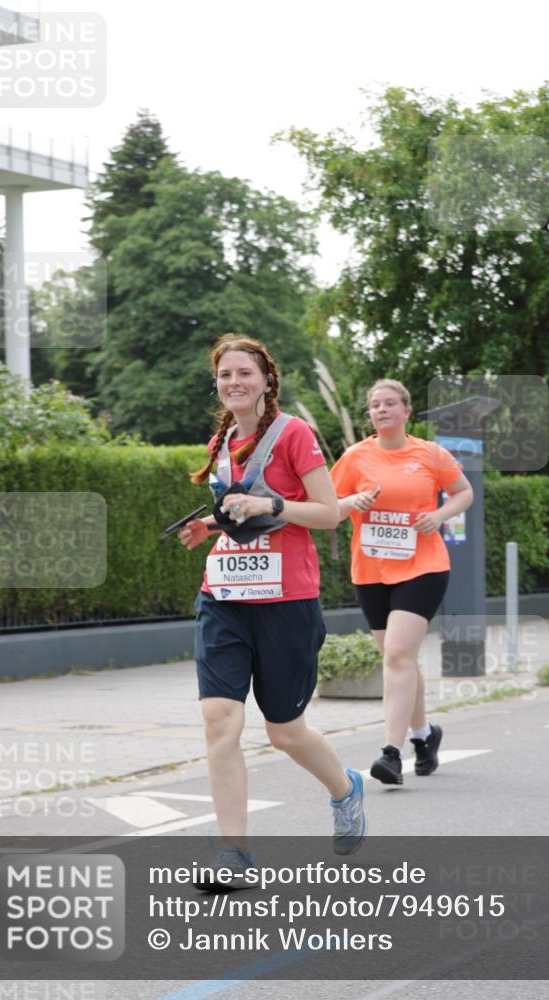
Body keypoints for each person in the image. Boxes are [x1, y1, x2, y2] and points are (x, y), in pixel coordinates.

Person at [179, 334, 366, 879]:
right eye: (225, 375)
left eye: (244, 373)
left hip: (286, 597)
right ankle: (233, 854)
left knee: (284, 730)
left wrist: (270, 501)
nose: (233, 382)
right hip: (225, 594)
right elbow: (244, 516)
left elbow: (329, 513)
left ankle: (345, 787)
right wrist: (210, 525)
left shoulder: (294, 434)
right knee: (220, 721)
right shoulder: (220, 442)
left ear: (266, 381)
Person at [330, 379, 474, 786]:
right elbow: (327, 508)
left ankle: (391, 754)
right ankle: (425, 736)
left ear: (406, 411)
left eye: (390, 403)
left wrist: (439, 516)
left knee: (396, 655)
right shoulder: (355, 457)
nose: (382, 410)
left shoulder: (429, 454)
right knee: (400, 660)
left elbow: (463, 493)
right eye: (375, 405)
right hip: (371, 571)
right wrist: (349, 503)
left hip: (422, 566)